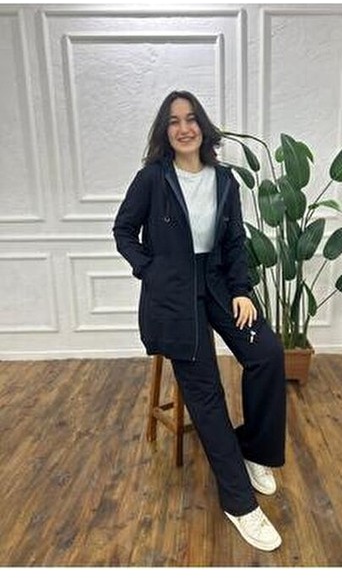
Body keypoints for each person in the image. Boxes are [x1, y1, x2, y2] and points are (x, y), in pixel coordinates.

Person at [113, 90, 286, 552]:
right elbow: (123, 230)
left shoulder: (224, 179)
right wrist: (150, 270)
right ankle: (240, 503)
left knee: (267, 353)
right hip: (173, 293)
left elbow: (233, 242)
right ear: (165, 131)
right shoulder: (152, 178)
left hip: (218, 281)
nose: (184, 128)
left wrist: (242, 290)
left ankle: (254, 450)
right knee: (206, 392)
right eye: (174, 121)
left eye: (190, 119)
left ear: (202, 126)